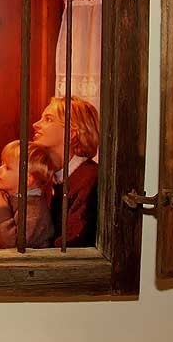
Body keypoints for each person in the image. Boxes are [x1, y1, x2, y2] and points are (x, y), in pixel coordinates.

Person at [31, 96, 99, 247]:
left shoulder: (91, 179)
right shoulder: (47, 179)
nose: (36, 125)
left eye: (48, 119)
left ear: (71, 133)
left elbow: (74, 244)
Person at [0, 141, 54, 249]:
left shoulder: (34, 210)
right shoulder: (5, 197)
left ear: (26, 179)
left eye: (7, 167)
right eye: (1, 164)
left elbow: (14, 247)